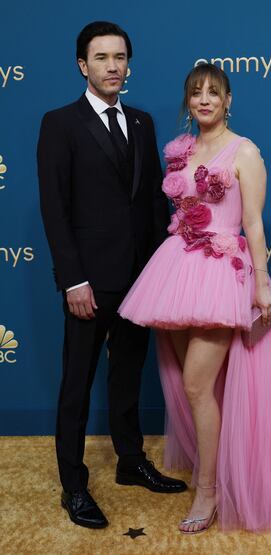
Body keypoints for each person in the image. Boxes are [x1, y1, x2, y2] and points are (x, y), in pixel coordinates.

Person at [119, 63, 271, 534]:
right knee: (199, 388)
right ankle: (218, 472)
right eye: (196, 92)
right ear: (188, 102)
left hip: (222, 274)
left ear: (229, 101)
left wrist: (262, 282)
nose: (204, 99)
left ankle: (209, 490)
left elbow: (252, 223)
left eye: (214, 93)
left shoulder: (245, 151)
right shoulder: (182, 152)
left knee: (195, 386)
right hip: (179, 270)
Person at [37, 21, 186, 530]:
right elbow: (55, 210)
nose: (113, 66)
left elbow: (148, 204)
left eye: (120, 57)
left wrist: (162, 272)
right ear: (83, 65)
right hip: (89, 283)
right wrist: (72, 280)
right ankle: (73, 487)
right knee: (77, 385)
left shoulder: (142, 122)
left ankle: (130, 462)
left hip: (138, 279)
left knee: (127, 376)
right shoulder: (60, 123)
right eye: (101, 58)